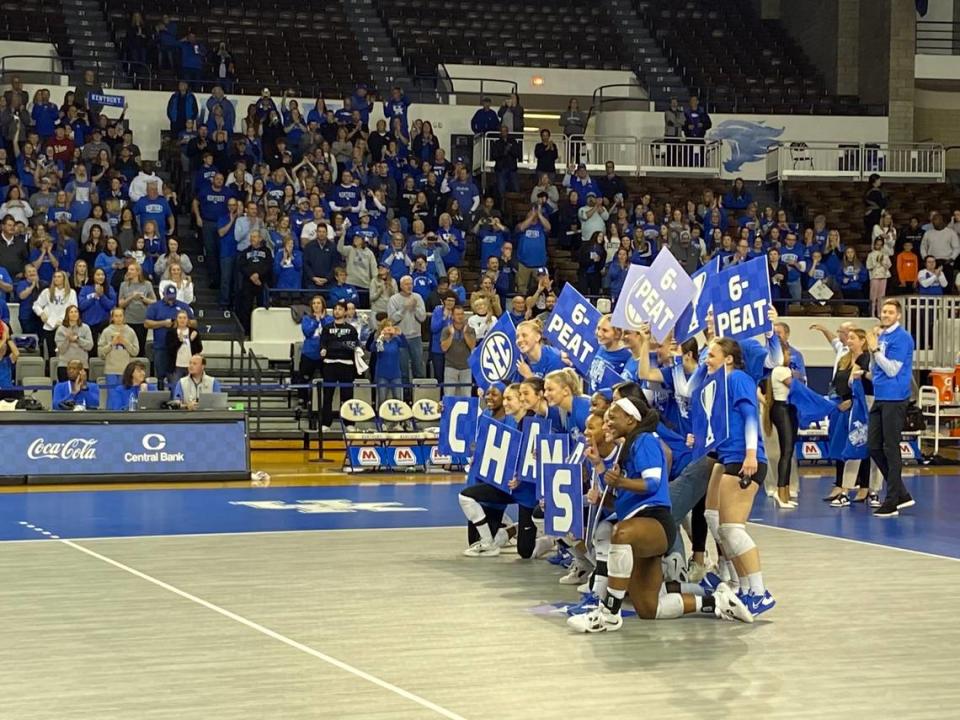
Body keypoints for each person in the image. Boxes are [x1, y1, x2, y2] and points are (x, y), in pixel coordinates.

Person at [569, 396, 752, 633]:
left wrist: (621, 481)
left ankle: (608, 614)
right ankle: (717, 601)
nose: (607, 424)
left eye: (612, 417)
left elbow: (653, 483)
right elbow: (622, 504)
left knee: (620, 533)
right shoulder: (627, 448)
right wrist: (600, 467)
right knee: (648, 608)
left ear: (631, 419)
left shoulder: (644, 440)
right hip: (640, 527)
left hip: (655, 522)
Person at [697, 337, 775, 616]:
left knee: (732, 529)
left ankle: (759, 592)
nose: (707, 359)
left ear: (728, 358)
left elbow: (750, 416)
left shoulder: (738, 378)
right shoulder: (716, 386)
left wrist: (751, 454)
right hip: (727, 457)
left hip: (744, 460)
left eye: (712, 354)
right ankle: (742, 587)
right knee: (715, 519)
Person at [867, 299, 915, 518]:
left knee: (891, 448)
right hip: (880, 396)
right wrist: (872, 350)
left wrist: (875, 348)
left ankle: (892, 500)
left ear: (898, 316)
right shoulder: (883, 335)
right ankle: (902, 493)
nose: (885, 315)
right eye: (883, 311)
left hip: (895, 397)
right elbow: (874, 366)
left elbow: (893, 369)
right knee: (873, 446)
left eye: (890, 312)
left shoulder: (902, 338)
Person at [144, 284, 194, 389]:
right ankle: (160, 398)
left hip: (179, 349)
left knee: (176, 376)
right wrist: (163, 323)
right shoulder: (155, 306)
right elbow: (147, 323)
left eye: (173, 297)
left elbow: (194, 322)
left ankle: (177, 398)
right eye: (169, 297)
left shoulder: (183, 306)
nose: (171, 299)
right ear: (163, 294)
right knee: (160, 375)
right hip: (161, 346)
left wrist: (181, 321)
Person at [319, 300, 358, 431]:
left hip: (347, 365)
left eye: (340, 309)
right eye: (335, 309)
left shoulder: (351, 329)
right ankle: (326, 423)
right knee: (328, 395)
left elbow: (353, 345)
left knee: (347, 395)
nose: (337, 311)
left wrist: (335, 345)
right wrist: (333, 346)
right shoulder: (327, 328)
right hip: (330, 364)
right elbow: (324, 344)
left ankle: (349, 423)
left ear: (345, 312)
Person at [387, 275, 427, 392]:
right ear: (401, 286)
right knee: (402, 369)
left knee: (419, 367)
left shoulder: (417, 298)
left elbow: (423, 317)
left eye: (411, 284)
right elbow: (392, 320)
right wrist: (404, 308)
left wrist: (414, 308)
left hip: (416, 337)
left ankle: (420, 395)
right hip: (400, 338)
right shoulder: (394, 299)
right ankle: (405, 395)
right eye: (406, 284)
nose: (409, 286)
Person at [33, 270, 77, 358]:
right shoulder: (47, 292)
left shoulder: (71, 293)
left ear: (64, 279)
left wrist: (62, 321)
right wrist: (41, 313)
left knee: (64, 352)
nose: (56, 278)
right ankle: (50, 370)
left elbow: (73, 308)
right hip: (49, 326)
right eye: (54, 277)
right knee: (51, 352)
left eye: (59, 276)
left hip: (64, 326)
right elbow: (36, 305)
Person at [117, 262, 155, 355]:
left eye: (132, 269)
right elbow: (120, 304)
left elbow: (154, 301)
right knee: (128, 346)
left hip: (142, 320)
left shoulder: (147, 284)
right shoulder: (123, 285)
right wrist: (131, 297)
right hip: (129, 320)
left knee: (141, 346)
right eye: (128, 269)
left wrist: (143, 298)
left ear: (138, 272)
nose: (129, 271)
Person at [440, 305, 475, 397]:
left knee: (467, 395)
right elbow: (444, 348)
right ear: (452, 315)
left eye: (462, 314)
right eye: (457, 314)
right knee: (449, 395)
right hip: (450, 366)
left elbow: (472, 346)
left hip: (466, 367)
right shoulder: (446, 330)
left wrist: (465, 333)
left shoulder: (470, 330)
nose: (460, 316)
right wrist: (451, 335)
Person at [98, 307, 139, 385]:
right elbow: (100, 353)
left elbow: (135, 352)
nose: (119, 318)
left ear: (124, 317)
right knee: (112, 395)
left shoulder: (130, 331)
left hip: (125, 370)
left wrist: (125, 342)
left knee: (124, 394)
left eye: (120, 316)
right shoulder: (106, 331)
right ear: (112, 318)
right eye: (116, 316)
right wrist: (112, 344)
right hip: (110, 370)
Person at [373, 318, 405, 407]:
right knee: (382, 400)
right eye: (387, 327)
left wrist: (400, 334)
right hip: (382, 375)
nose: (389, 329)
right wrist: (380, 337)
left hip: (396, 374)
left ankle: (398, 419)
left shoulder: (396, 340)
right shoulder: (379, 340)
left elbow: (405, 344)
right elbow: (375, 349)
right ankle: (381, 420)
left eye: (390, 327)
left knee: (398, 399)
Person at [166, 309, 202, 387]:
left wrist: (192, 340)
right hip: (176, 367)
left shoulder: (193, 332)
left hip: (190, 366)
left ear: (188, 320)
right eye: (180, 318)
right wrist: (179, 341)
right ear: (176, 319)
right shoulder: (171, 333)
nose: (182, 320)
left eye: (184, 318)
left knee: (191, 388)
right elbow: (170, 350)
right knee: (176, 388)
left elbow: (199, 349)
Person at [866, 238, 892, 317]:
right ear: (874, 245)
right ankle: (872, 313)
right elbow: (868, 266)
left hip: (883, 276)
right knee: (873, 296)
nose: (879, 246)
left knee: (881, 296)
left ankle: (880, 313)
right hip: (875, 276)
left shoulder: (885, 255)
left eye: (881, 245)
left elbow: (889, 265)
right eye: (877, 244)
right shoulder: (871, 255)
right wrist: (876, 263)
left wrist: (883, 263)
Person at [863, 173, 886, 243]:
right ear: (875, 181)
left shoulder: (868, 191)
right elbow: (882, 203)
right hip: (875, 215)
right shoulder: (875, 192)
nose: (880, 181)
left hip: (871, 214)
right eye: (879, 180)